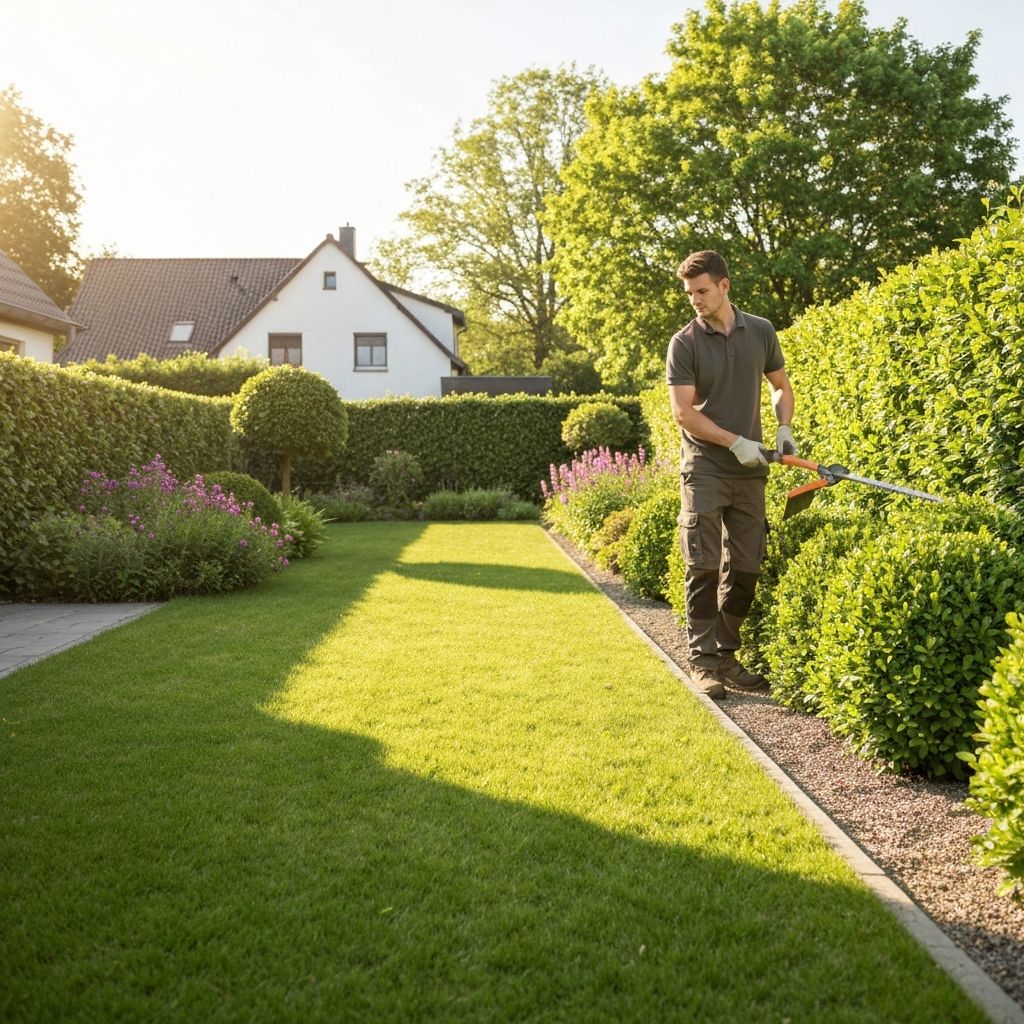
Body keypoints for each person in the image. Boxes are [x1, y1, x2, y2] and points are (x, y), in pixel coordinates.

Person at [665, 251, 796, 700]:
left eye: (702, 290)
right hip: (704, 468)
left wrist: (782, 427)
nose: (695, 300)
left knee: (746, 566)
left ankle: (725, 653)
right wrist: (735, 442)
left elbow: (780, 386)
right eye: (690, 293)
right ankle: (702, 662)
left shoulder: (760, 331)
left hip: (750, 471)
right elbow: (684, 413)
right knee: (701, 563)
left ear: (724, 285)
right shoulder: (684, 343)